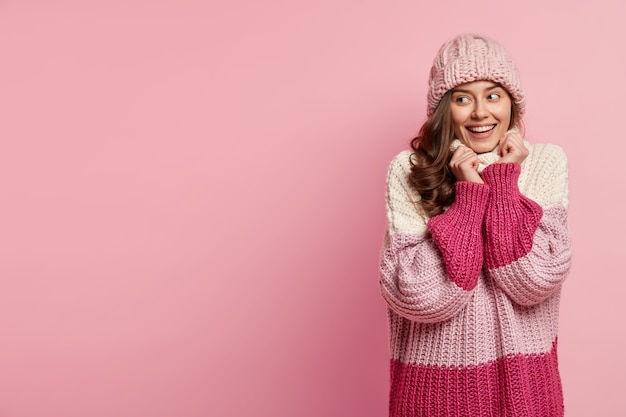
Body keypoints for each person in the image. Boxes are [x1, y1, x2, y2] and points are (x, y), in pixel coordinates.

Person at [379, 34, 572, 417]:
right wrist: (468, 197)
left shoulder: (546, 162)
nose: (480, 112)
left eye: (493, 94)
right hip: (432, 391)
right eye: (462, 98)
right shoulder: (410, 169)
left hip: (526, 389)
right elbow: (421, 297)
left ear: (512, 103)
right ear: (443, 109)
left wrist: (503, 181)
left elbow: (533, 282)